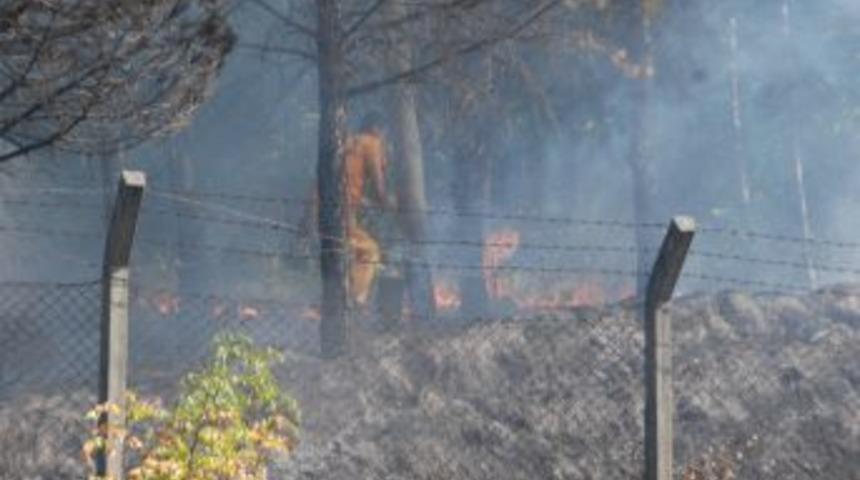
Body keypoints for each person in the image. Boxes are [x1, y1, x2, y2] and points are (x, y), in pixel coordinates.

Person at [297, 112, 394, 306]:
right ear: (378, 130)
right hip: (339, 210)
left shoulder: (347, 143)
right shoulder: (371, 143)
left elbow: (345, 179)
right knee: (370, 251)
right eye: (385, 134)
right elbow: (378, 188)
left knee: (344, 253)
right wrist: (391, 204)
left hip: (322, 206)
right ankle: (352, 301)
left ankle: (337, 299)